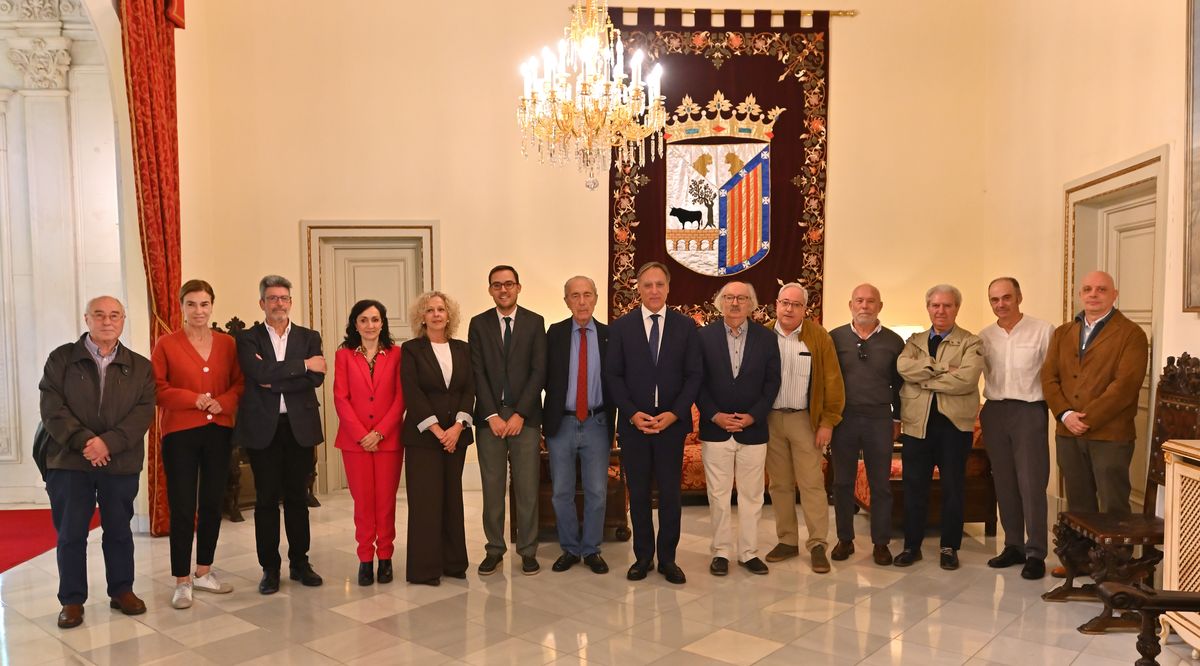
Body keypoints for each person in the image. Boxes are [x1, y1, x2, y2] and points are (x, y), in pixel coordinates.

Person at [39, 296, 155, 629]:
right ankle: (72, 600)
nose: (107, 321)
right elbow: (52, 408)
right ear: (87, 319)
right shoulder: (61, 359)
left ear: (123, 320)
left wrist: (108, 443)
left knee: (119, 530)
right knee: (71, 533)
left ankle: (122, 591)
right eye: (100, 315)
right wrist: (86, 442)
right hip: (69, 460)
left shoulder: (141, 367)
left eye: (114, 315)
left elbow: (142, 415)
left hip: (120, 462)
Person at [605, 261, 701, 584]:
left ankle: (668, 559)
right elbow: (613, 376)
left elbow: (694, 376)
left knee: (671, 495)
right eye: (648, 285)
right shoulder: (621, 327)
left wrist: (674, 413)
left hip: (671, 426)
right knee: (639, 494)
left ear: (669, 288)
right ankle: (643, 556)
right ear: (639, 288)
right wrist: (632, 414)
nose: (654, 290)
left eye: (660, 284)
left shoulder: (686, 327)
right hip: (635, 426)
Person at [151, 280, 244, 609]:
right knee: (182, 506)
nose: (198, 310)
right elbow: (157, 388)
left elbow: (239, 383)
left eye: (204, 304)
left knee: (212, 502)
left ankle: (204, 571)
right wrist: (194, 399)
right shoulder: (166, 344)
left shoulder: (228, 344)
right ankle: (182, 580)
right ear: (181, 307)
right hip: (180, 434)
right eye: (191, 304)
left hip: (218, 431)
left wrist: (224, 402)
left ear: (212, 305)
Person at [232, 275, 326, 594]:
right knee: (267, 500)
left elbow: (316, 378)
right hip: (263, 429)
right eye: (272, 298)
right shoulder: (248, 338)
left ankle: (300, 563)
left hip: (299, 428)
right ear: (262, 303)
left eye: (284, 298)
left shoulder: (309, 336)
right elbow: (256, 372)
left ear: (291, 302)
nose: (278, 303)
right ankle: (269, 569)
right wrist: (303, 365)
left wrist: (275, 378)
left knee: (298, 498)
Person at [1042, 270, 1148, 516]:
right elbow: (1048, 377)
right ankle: (1080, 545)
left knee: (1113, 506)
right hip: (1068, 433)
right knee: (1078, 507)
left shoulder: (1132, 334)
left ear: (1114, 295)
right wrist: (1065, 414)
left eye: (1102, 289)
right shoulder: (1062, 332)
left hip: (1110, 435)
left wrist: (1085, 419)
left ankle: (1115, 544)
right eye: (1088, 289)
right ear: (1080, 294)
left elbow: (1125, 386)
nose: (1094, 294)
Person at [895, 284, 984, 571]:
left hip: (954, 428)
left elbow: (966, 380)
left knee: (953, 489)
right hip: (916, 426)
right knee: (914, 488)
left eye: (947, 305)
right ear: (928, 308)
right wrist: (945, 369)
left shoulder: (971, 342)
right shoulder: (914, 341)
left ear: (957, 308)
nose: (941, 311)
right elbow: (903, 367)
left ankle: (949, 547)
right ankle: (912, 546)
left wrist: (923, 378)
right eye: (935, 305)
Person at [695, 281, 781, 576]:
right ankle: (720, 552)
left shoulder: (767, 339)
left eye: (741, 298)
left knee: (752, 496)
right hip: (715, 429)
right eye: (729, 297)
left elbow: (772, 383)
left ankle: (748, 553)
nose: (735, 303)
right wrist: (714, 415)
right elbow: (696, 382)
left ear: (751, 304)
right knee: (718, 495)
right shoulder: (703, 337)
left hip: (752, 431)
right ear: (720, 302)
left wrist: (753, 416)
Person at [468, 265, 547, 576]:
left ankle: (528, 550)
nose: (503, 290)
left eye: (509, 284)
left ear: (518, 287)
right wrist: (491, 414)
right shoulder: (478, 324)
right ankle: (494, 549)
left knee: (527, 488)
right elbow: (476, 372)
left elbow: (539, 371)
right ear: (490, 289)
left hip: (525, 418)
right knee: (492, 488)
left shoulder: (535, 322)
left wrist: (520, 414)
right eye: (497, 285)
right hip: (490, 419)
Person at [763, 283, 845, 574]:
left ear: (805, 309)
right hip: (771, 420)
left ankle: (818, 544)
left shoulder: (818, 337)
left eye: (796, 304)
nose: (789, 309)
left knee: (811, 484)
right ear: (776, 304)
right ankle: (786, 540)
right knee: (779, 484)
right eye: (785, 302)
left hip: (805, 421)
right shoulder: (763, 335)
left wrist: (827, 422)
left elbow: (833, 382)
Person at [978, 277, 1055, 580]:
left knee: (1031, 482)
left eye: (1006, 297)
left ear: (1019, 297)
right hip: (995, 411)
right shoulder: (984, 336)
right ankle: (1013, 545)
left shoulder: (1042, 330)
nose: (1001, 304)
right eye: (994, 299)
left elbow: (1053, 374)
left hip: (1029, 410)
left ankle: (1035, 552)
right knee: (1004, 481)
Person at [401, 291, 474, 585]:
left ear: (449, 315)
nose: (436, 314)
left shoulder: (463, 349)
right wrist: (437, 430)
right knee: (426, 503)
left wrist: (457, 427)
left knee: (452, 499)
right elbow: (412, 391)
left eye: (441, 309)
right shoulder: (411, 350)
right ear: (422, 317)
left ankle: (454, 563)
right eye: (430, 310)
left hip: (456, 436)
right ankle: (425, 569)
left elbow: (469, 389)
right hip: (424, 438)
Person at [828, 284, 904, 566]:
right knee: (842, 482)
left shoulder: (894, 342)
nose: (864, 306)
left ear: (879, 306)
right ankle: (844, 539)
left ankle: (881, 543)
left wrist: (897, 419)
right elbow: (826, 380)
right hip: (844, 419)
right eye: (859, 300)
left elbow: (900, 385)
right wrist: (826, 419)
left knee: (880, 484)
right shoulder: (834, 338)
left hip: (879, 419)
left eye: (870, 301)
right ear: (850, 305)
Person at [543, 276, 615, 574]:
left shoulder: (610, 335)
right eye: (575, 296)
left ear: (596, 298)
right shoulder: (554, 333)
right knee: (562, 491)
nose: (582, 301)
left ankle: (592, 549)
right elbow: (542, 375)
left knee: (597, 491)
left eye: (587, 295)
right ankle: (570, 548)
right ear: (566, 301)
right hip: (562, 422)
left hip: (597, 422)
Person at [333, 299, 405, 586]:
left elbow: (401, 398)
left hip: (388, 441)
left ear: (383, 323)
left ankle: (385, 557)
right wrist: (362, 434)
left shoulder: (397, 354)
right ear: (355, 324)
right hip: (355, 443)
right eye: (363, 320)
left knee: (386, 501)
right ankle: (365, 558)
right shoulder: (344, 356)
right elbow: (341, 398)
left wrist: (380, 432)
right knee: (363, 502)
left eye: (375, 319)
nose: (370, 325)